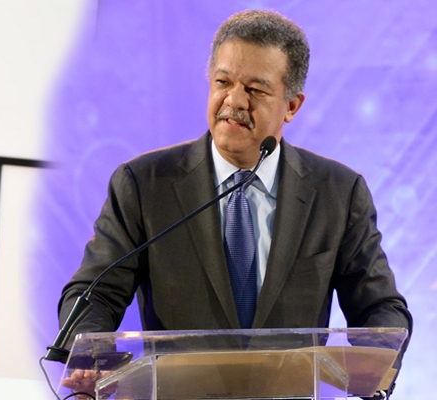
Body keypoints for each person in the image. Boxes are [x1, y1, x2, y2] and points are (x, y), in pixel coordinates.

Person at [57, 9, 411, 396]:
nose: (234, 100)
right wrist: (92, 359)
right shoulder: (144, 184)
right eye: (223, 82)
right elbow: (93, 294)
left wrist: (374, 366)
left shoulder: (338, 193)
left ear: (292, 106)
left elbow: (380, 309)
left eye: (256, 90)